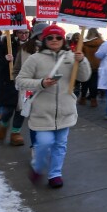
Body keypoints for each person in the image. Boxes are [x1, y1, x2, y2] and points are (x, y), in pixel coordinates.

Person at [16, 24, 91, 189]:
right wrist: (42, 83)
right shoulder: (35, 58)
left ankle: (55, 174)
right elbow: (20, 80)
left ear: (63, 39)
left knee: (60, 144)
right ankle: (37, 167)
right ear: (44, 39)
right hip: (42, 112)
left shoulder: (72, 57)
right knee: (43, 143)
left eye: (58, 37)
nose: (54, 40)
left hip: (66, 110)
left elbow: (84, 78)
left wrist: (83, 61)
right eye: (50, 37)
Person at [15, 22, 48, 150]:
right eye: (43, 34)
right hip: (30, 90)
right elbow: (17, 69)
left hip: (47, 90)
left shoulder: (53, 49)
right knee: (34, 120)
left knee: (45, 120)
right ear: (36, 35)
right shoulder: (25, 49)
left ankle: (43, 145)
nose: (46, 37)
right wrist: (18, 83)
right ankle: (35, 146)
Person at [0, 29, 30, 146]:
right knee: (7, 110)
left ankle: (15, 133)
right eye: (21, 32)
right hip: (8, 82)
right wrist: (5, 60)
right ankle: (4, 125)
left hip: (24, 82)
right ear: (16, 33)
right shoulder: (5, 43)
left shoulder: (32, 46)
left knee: (21, 110)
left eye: (26, 32)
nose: (23, 35)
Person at [79, 28, 104, 107]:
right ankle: (94, 100)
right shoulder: (102, 43)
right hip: (97, 65)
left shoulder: (84, 43)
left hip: (86, 65)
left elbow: (81, 54)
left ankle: (82, 99)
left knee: (84, 83)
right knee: (94, 83)